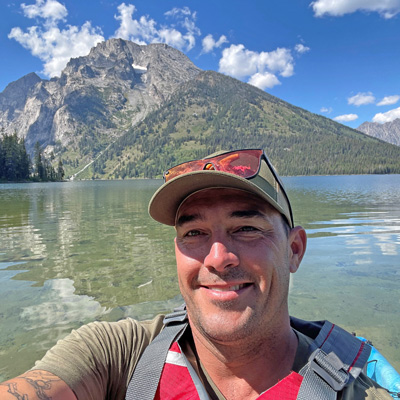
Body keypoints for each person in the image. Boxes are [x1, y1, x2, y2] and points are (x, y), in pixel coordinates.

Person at [0, 149, 394, 400]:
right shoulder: (117, 354)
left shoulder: (362, 387)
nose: (218, 258)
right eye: (194, 233)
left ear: (294, 250)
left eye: (246, 228)